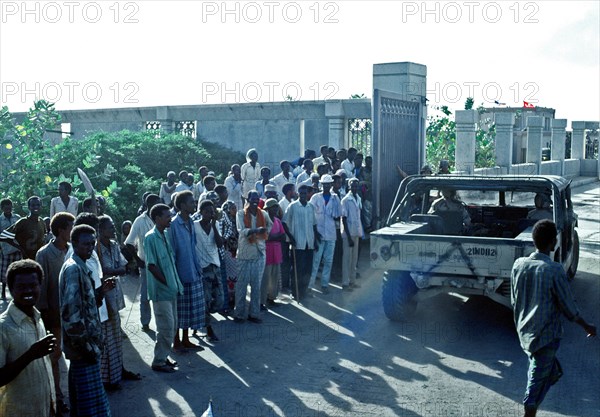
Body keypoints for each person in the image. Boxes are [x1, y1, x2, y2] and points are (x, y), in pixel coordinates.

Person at [511, 220, 596, 417]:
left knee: (547, 370)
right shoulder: (554, 270)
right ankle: (530, 406)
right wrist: (587, 326)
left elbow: (514, 298)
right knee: (538, 376)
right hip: (547, 333)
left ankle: (532, 404)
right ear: (553, 243)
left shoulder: (518, 265)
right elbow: (569, 307)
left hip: (525, 330)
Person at [60, 224, 114, 416]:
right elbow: (72, 316)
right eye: (85, 244)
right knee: (91, 407)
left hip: (84, 347)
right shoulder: (74, 269)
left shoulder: (81, 265)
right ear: (73, 243)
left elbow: (85, 304)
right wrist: (87, 349)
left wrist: (99, 292)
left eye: (92, 244)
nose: (90, 248)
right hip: (83, 348)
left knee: (81, 402)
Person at [0, 259, 57, 417]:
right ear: (10, 289)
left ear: (40, 286)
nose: (28, 291)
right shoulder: (3, 327)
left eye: (33, 285)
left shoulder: (37, 318)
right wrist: (30, 355)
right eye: (21, 287)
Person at [35, 212, 74, 415]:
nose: (73, 232)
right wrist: (45, 313)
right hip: (54, 314)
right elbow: (40, 288)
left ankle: (73, 394)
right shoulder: (44, 254)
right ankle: (56, 397)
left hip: (72, 315)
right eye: (71, 228)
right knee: (55, 357)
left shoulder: (71, 250)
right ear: (61, 231)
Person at [97, 216, 141, 390]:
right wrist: (116, 270)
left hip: (115, 293)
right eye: (109, 227)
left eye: (113, 226)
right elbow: (105, 270)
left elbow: (123, 267)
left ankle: (118, 370)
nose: (113, 229)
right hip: (103, 295)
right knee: (106, 338)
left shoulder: (114, 245)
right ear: (100, 230)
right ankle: (107, 378)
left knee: (115, 336)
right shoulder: (96, 247)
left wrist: (115, 270)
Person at [144, 204, 184, 373]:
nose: (170, 219)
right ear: (157, 218)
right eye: (167, 216)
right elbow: (152, 266)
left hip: (172, 288)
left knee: (172, 325)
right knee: (165, 326)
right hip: (161, 291)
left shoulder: (165, 234)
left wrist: (173, 283)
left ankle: (163, 355)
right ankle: (158, 361)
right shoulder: (150, 238)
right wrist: (166, 282)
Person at [168, 191, 205, 351]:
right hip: (180, 274)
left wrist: (197, 268)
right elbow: (172, 253)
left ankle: (185, 339)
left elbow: (193, 247)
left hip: (193, 270)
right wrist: (175, 277)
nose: (194, 204)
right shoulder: (173, 225)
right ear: (182, 206)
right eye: (191, 202)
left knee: (190, 309)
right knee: (179, 310)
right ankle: (176, 341)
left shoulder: (191, 222)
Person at [125, 194, 162, 331]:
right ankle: (145, 321)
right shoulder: (140, 221)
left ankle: (161, 322)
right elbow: (129, 242)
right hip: (146, 264)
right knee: (146, 295)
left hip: (162, 264)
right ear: (149, 205)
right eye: (156, 204)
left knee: (161, 295)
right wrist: (137, 259)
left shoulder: (162, 217)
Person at [234, 191, 272, 323]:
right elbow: (242, 231)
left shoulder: (263, 214)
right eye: (252, 198)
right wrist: (256, 231)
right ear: (248, 199)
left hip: (259, 253)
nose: (255, 201)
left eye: (257, 199)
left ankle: (254, 314)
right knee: (241, 286)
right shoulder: (240, 213)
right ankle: (239, 314)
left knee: (256, 286)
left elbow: (270, 225)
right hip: (245, 253)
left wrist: (263, 234)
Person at [282, 185, 319, 301]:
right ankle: (295, 292)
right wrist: (291, 238)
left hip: (309, 243)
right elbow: (284, 223)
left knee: (308, 269)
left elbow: (314, 225)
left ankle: (304, 290)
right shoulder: (293, 206)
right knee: (297, 269)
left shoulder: (310, 207)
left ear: (307, 194)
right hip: (298, 243)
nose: (303, 195)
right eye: (301, 193)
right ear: (298, 193)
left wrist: (315, 241)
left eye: (305, 193)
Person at [194, 200, 224, 342]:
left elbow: (219, 244)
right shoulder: (194, 227)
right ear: (201, 212)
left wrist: (214, 226)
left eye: (212, 212)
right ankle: (209, 329)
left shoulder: (216, 225)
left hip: (215, 265)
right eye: (207, 212)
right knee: (205, 300)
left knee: (220, 300)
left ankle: (202, 317)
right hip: (202, 267)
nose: (210, 214)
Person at [309, 175, 342, 294]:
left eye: (328, 184)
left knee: (328, 260)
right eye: (324, 184)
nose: (326, 186)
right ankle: (310, 285)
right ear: (321, 185)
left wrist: (334, 216)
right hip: (318, 233)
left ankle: (324, 284)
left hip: (331, 233)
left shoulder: (335, 198)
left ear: (331, 184)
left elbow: (339, 215)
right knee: (316, 260)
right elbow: (311, 215)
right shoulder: (315, 198)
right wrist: (314, 233)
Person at [261, 198, 285, 309]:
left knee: (274, 277)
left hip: (277, 252)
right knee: (265, 277)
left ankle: (272, 298)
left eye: (276, 207)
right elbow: (266, 238)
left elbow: (283, 236)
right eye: (273, 207)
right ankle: (262, 300)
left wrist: (273, 237)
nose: (275, 209)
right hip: (267, 252)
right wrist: (275, 237)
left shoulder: (278, 221)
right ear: (268, 209)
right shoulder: (264, 221)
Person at [5, 196, 46, 260]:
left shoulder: (41, 222)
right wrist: (20, 248)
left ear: (41, 207)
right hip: (25, 259)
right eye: (33, 205)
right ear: (29, 207)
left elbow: (43, 239)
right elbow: (4, 236)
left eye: (38, 205)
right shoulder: (23, 222)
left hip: (38, 258)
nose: (36, 207)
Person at [341, 178, 363, 291]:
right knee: (347, 259)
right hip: (348, 234)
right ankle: (345, 283)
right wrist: (348, 237)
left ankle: (352, 281)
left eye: (356, 186)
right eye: (352, 186)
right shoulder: (346, 200)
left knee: (354, 259)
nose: (354, 188)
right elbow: (344, 219)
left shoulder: (358, 198)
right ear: (349, 187)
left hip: (356, 232)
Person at [0, 199, 21, 301]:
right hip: (6, 250)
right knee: (5, 271)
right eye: (6, 207)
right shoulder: (0, 220)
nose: (8, 209)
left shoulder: (17, 218)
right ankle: (3, 291)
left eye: (10, 207)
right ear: (2, 208)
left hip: (17, 248)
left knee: (17, 271)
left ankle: (15, 291)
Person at [220, 201, 239, 310]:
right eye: (232, 208)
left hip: (235, 252)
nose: (235, 210)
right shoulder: (224, 221)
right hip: (227, 252)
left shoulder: (236, 220)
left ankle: (235, 297)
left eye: (235, 207)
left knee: (235, 275)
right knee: (229, 277)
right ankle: (229, 299)